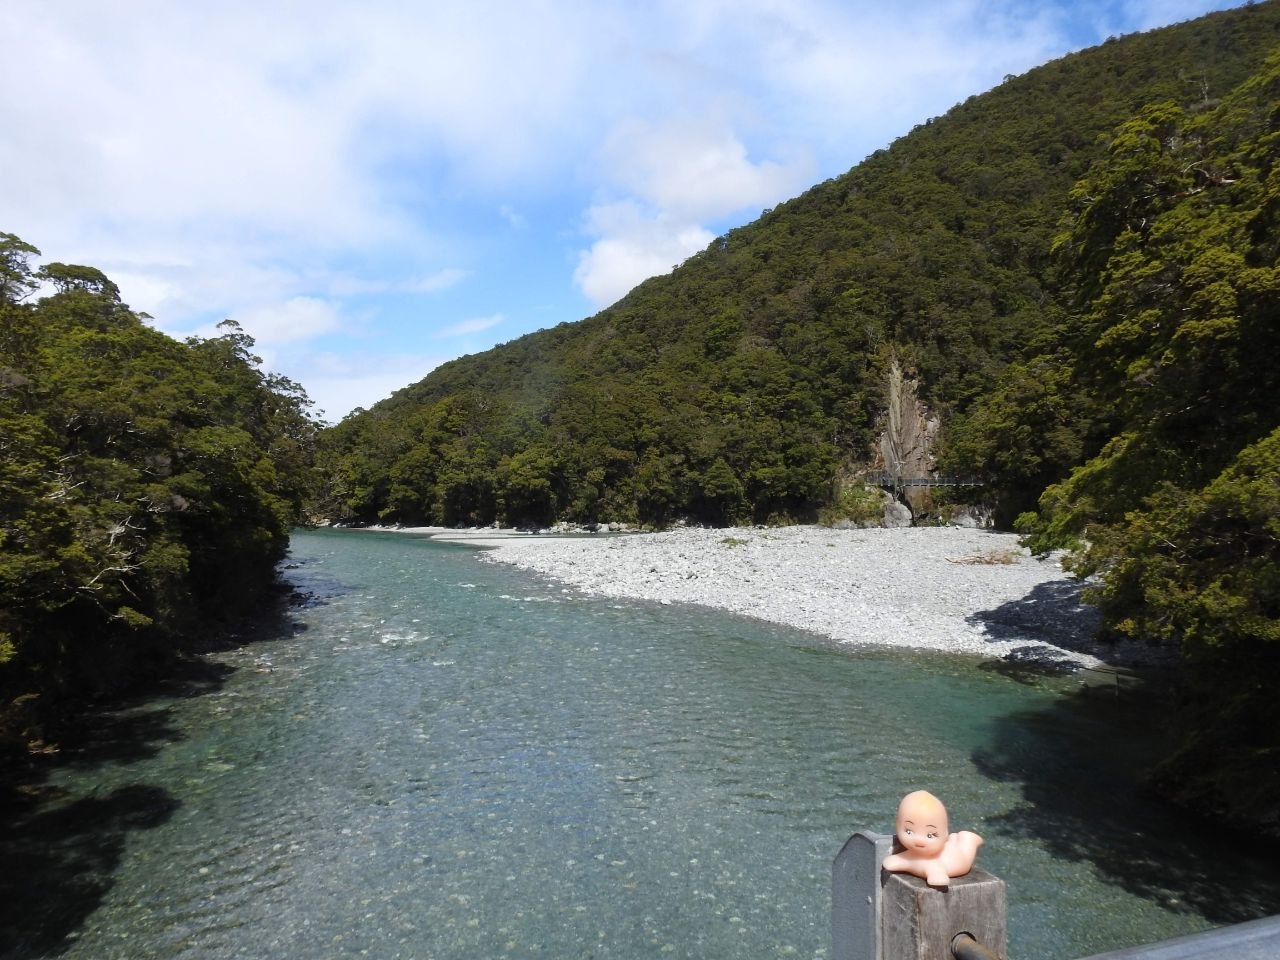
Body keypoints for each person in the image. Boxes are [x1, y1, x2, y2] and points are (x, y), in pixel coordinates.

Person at [881, 789, 982, 887]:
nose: (919, 840)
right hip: (945, 847)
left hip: (958, 856)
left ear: (944, 833)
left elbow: (938, 874)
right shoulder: (909, 855)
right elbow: (898, 861)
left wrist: (936, 876)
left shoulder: (933, 863)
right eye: (909, 831)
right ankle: (954, 839)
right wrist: (897, 861)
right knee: (953, 842)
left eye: (930, 835)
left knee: (965, 852)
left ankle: (969, 839)